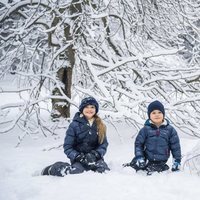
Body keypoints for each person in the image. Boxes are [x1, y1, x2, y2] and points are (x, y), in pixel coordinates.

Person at [41, 97, 109, 177]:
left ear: (96, 109)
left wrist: (95, 154)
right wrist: (79, 157)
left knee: (104, 171)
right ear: (82, 109)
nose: (89, 109)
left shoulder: (100, 125)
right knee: (74, 172)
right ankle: (52, 169)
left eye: (92, 107)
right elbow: (67, 147)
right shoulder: (74, 125)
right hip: (79, 160)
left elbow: (103, 145)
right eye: (86, 107)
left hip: (96, 159)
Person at [125, 100, 181, 175]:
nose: (157, 115)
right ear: (149, 115)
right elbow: (138, 144)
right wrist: (139, 157)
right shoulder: (145, 129)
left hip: (160, 159)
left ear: (163, 114)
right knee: (137, 165)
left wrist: (177, 161)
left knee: (153, 170)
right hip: (147, 157)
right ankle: (136, 164)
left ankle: (156, 168)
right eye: (153, 113)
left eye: (159, 112)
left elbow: (175, 147)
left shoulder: (170, 130)